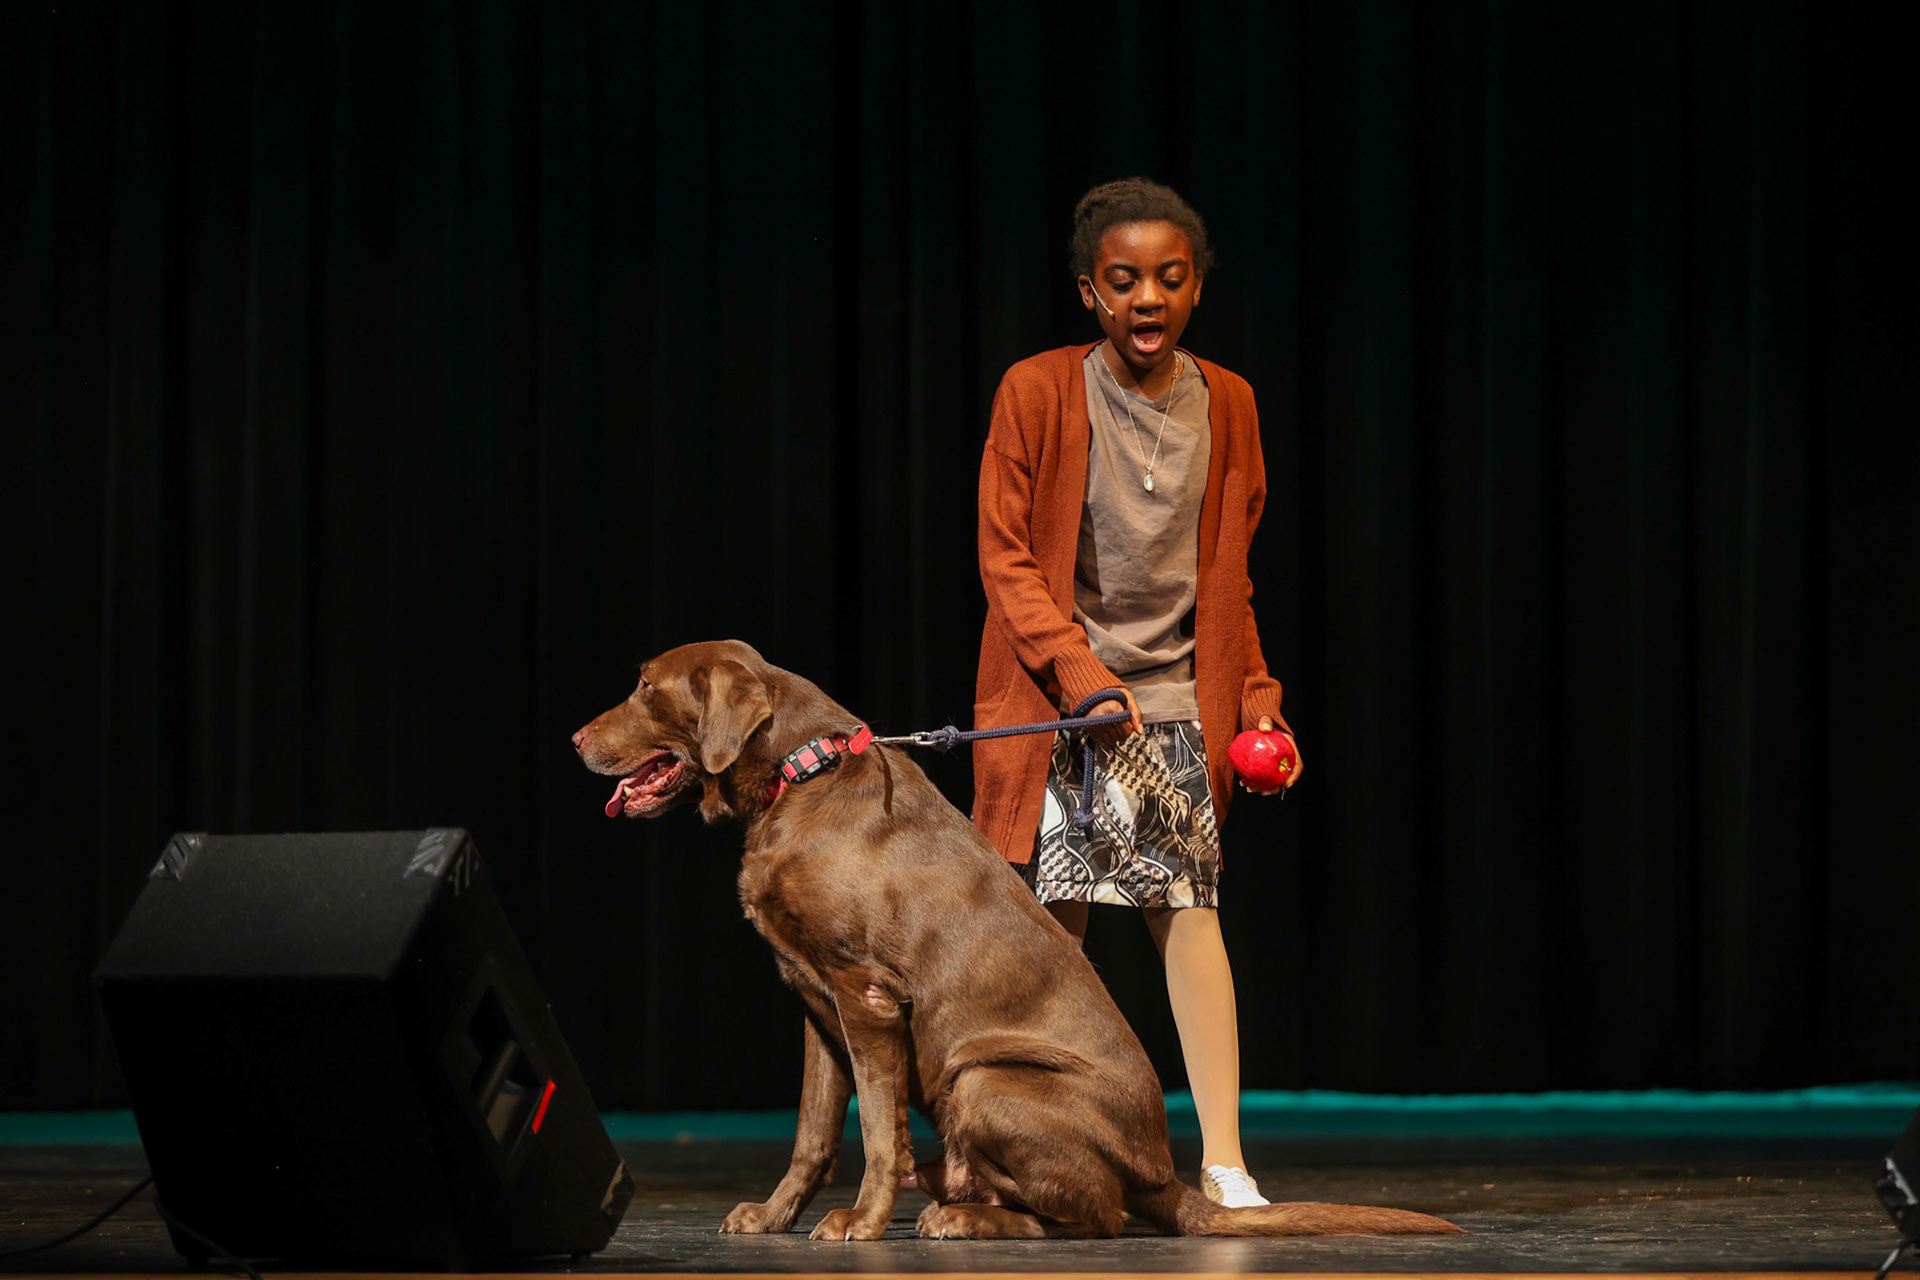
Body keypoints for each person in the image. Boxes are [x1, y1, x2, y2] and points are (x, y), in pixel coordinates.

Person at [971, 176, 1300, 1209]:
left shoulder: (1232, 402)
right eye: (1124, 281)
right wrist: (1079, 676)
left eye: (1168, 278)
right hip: (1059, 699)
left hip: (1174, 702)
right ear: (1088, 292)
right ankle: (1036, 1153)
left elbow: (1228, 574)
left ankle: (1225, 1155)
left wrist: (1255, 698)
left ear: (1196, 287)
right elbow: (1008, 557)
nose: (1146, 297)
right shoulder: (1037, 389)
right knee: (1049, 941)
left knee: (1188, 912)